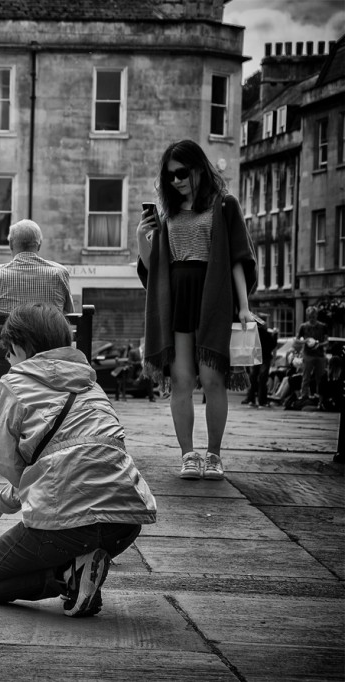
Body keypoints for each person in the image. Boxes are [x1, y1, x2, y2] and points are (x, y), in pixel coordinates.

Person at [0, 303, 156, 617]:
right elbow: (67, 457)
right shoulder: (92, 386)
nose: (7, 357)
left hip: (69, 522)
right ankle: (81, 572)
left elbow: (8, 463)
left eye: (8, 349)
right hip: (125, 518)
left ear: (18, 346)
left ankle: (68, 576)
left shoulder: (14, 384)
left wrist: (15, 501)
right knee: (74, 534)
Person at [137, 139, 255, 481]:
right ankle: (188, 454)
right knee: (181, 381)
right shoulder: (168, 213)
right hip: (176, 300)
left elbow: (238, 259)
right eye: (170, 176)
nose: (175, 181)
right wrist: (141, 239)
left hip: (213, 297)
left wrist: (244, 307)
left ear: (200, 168)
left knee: (212, 379)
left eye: (182, 173)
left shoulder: (224, 205)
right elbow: (154, 268)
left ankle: (214, 455)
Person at [0, 219, 74, 376]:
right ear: (39, 245)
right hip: (49, 362)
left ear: (10, 245)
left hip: (6, 362)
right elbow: (67, 312)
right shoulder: (59, 274)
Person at [243, 316, 278, 408]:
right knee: (262, 378)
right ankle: (261, 401)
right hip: (264, 357)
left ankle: (251, 399)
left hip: (256, 356)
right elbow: (272, 345)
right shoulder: (265, 333)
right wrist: (274, 336)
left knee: (253, 377)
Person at [296, 306, 328, 405]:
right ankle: (304, 396)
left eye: (313, 316)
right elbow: (297, 339)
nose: (311, 318)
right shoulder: (303, 326)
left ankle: (320, 397)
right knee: (306, 376)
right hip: (308, 354)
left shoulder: (323, 326)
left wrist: (319, 344)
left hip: (319, 355)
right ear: (307, 316)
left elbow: (327, 341)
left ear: (316, 315)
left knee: (320, 377)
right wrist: (305, 341)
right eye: (310, 316)